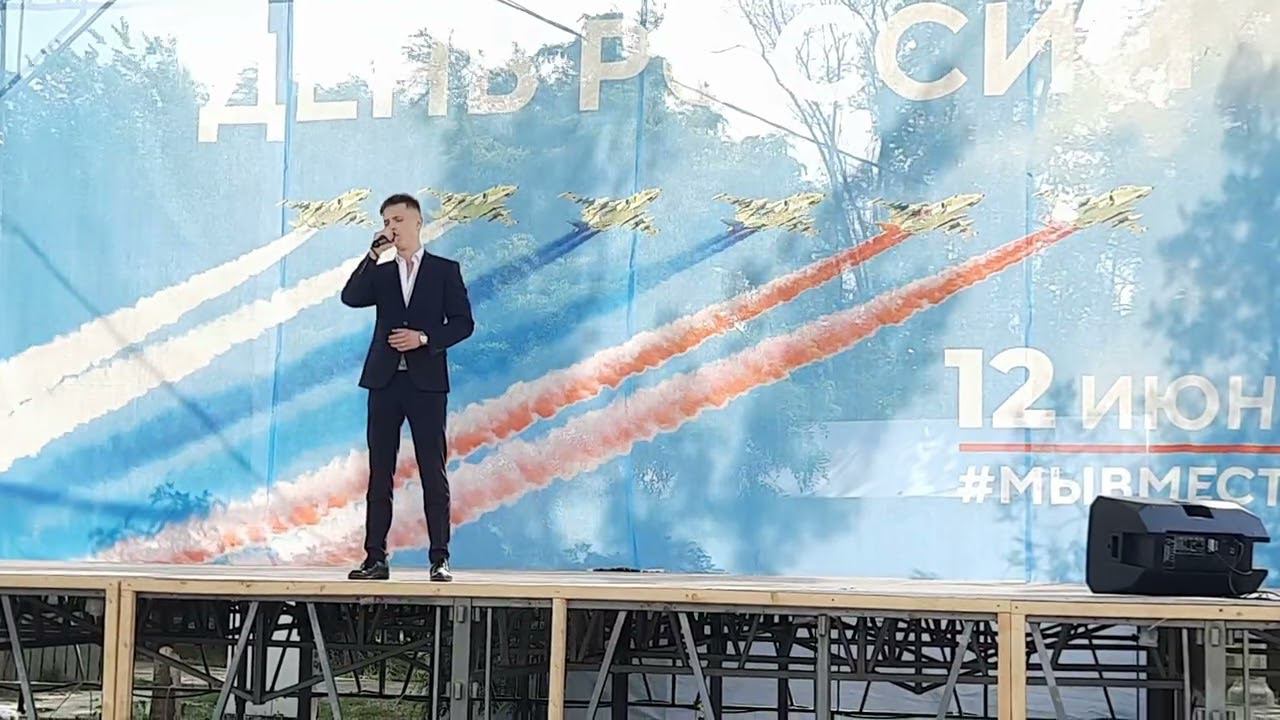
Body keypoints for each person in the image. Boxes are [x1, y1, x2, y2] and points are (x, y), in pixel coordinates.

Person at [340, 193, 474, 581]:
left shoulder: (444, 270)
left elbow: (463, 323)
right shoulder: (381, 273)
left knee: (433, 470)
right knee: (380, 471)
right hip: (384, 382)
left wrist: (424, 339)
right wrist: (372, 254)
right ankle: (375, 558)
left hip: (426, 384)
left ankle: (440, 558)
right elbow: (350, 297)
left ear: (418, 222)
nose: (391, 227)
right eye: (386, 221)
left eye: (397, 220)